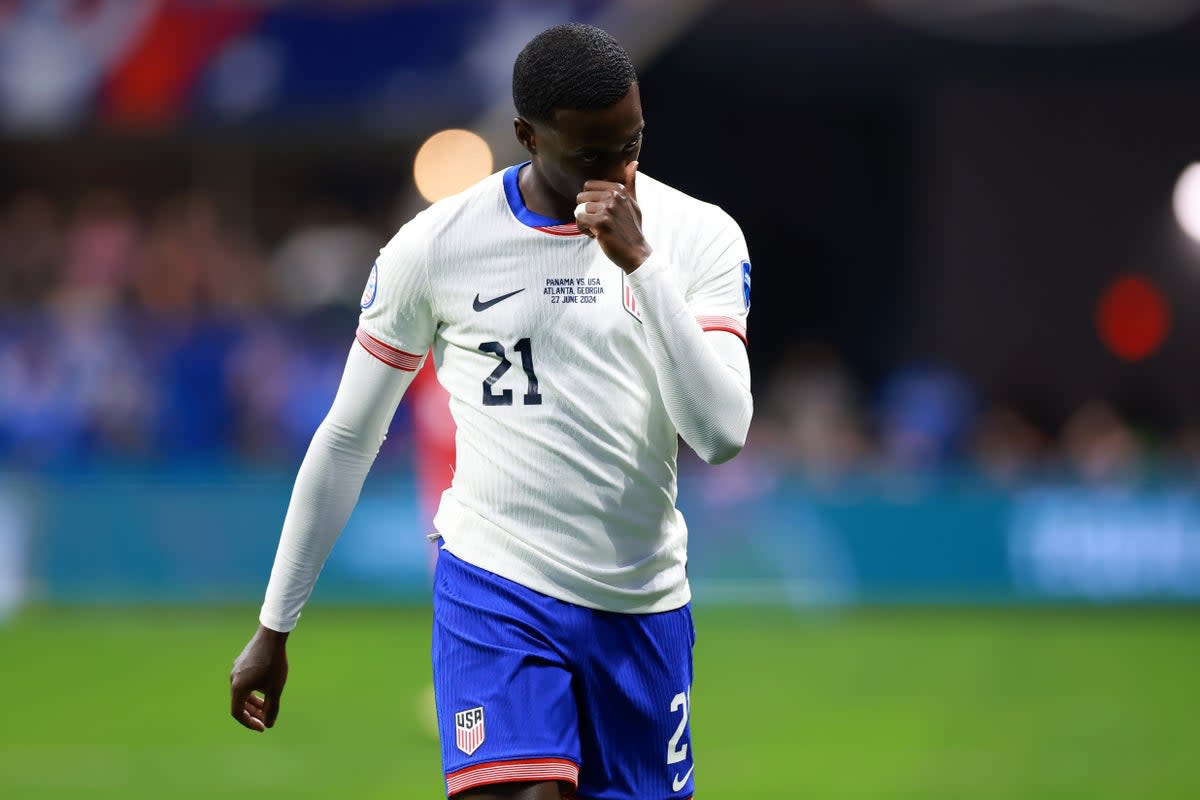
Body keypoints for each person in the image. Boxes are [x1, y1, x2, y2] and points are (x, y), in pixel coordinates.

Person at [229, 23, 753, 800]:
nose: (619, 173)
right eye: (590, 155)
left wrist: (642, 269)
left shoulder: (696, 236)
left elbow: (720, 435)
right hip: (495, 583)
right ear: (525, 136)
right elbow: (347, 438)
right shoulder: (437, 246)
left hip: (640, 604)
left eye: (632, 143)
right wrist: (275, 626)